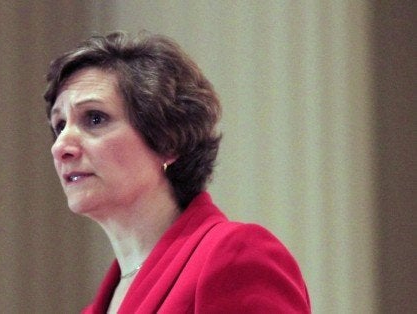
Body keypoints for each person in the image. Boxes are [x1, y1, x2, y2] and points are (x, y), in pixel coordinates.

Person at [44, 31, 310, 313]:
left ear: (168, 139)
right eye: (60, 125)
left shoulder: (234, 256)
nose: (61, 146)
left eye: (95, 118)